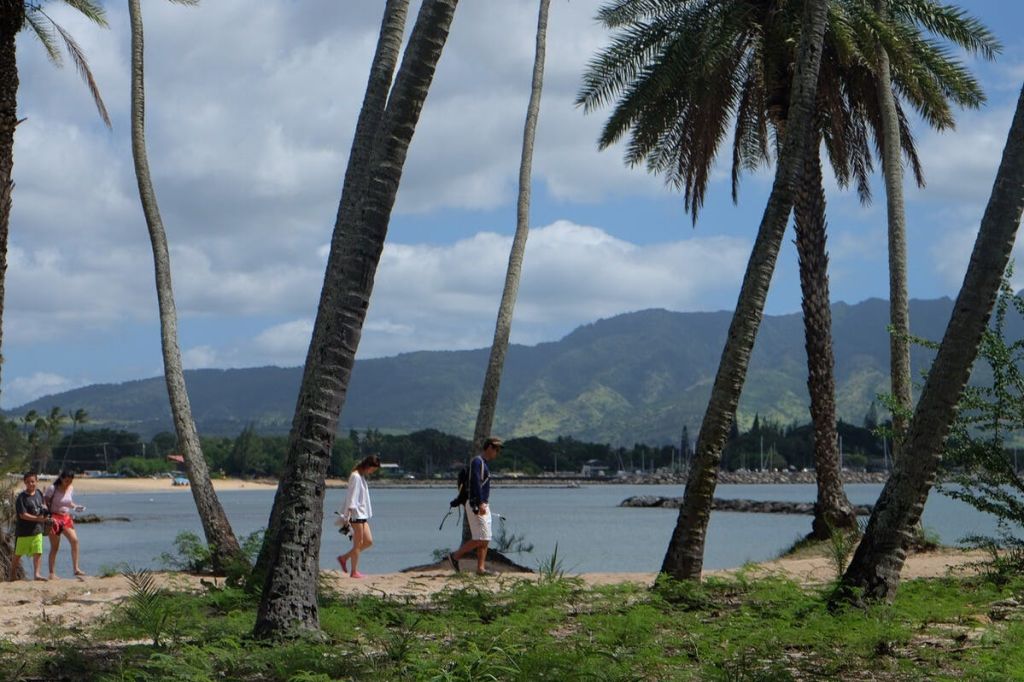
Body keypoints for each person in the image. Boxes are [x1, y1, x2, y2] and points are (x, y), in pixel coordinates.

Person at [447, 436, 502, 575]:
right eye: (496, 449)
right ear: (489, 447)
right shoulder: (478, 462)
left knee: (486, 538)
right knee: (481, 537)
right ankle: (455, 556)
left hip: (483, 503)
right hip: (477, 504)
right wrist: (479, 503)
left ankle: (480, 568)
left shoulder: (483, 463)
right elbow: (475, 483)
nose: (498, 453)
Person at [336, 454, 381, 579]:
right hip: (356, 514)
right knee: (358, 543)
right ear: (368, 466)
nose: (372, 472)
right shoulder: (355, 476)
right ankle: (354, 571)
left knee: (368, 541)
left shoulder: (361, 476)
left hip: (362, 513)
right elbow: (352, 497)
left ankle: (344, 558)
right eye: (372, 469)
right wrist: (348, 516)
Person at [43, 470, 86, 579]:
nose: (68, 483)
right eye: (66, 481)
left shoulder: (70, 488)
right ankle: (52, 573)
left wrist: (75, 507)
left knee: (75, 540)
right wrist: (46, 515)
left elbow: (68, 502)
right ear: (61, 478)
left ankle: (76, 569)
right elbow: (45, 502)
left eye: (70, 481)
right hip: (54, 518)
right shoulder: (53, 488)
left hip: (66, 517)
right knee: (55, 546)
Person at [9, 471, 50, 582]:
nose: (31, 484)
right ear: (25, 483)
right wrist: (38, 519)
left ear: (36, 481)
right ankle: (12, 574)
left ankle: (37, 574)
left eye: (32, 481)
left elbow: (43, 505)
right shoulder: (21, 498)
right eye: (28, 482)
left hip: (37, 530)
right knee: (18, 554)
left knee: (38, 551)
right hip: (23, 532)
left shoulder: (39, 493)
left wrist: (46, 512)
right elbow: (23, 515)